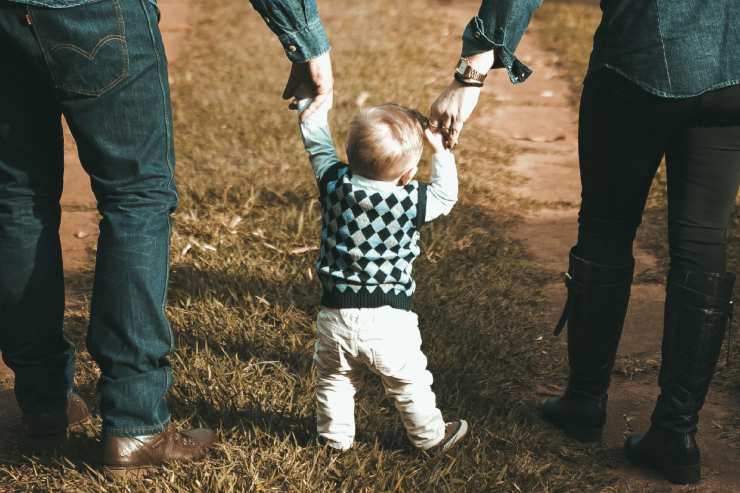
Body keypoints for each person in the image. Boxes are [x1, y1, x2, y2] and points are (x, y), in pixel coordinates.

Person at [0, 0, 333, 473]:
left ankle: (43, 401)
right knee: (135, 199)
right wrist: (304, 37)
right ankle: (136, 423)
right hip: (96, 15)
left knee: (17, 201)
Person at [429, 0, 739, 485]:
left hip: (639, 60)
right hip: (733, 73)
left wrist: (475, 67)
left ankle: (585, 401)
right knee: (703, 246)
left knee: (607, 228)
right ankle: (677, 433)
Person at [294, 97, 468, 452]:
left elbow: (317, 147)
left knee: (334, 380)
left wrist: (311, 110)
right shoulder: (411, 201)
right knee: (409, 383)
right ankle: (430, 437)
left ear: (350, 155)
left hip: (335, 314)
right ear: (406, 174)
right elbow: (446, 196)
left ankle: (334, 440)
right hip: (389, 319)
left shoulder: (334, 185)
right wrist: (440, 152)